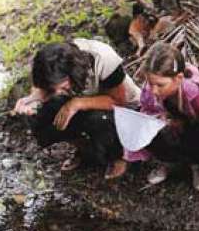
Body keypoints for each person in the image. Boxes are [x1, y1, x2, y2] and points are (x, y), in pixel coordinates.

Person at [13, 39, 141, 179]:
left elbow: (118, 102)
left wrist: (76, 104)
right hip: (82, 101)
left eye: (61, 87)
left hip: (125, 109)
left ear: (73, 72)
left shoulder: (103, 58)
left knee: (98, 119)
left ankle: (118, 156)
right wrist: (33, 100)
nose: (56, 92)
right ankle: (86, 150)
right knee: (42, 114)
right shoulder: (53, 67)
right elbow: (44, 89)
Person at [124, 42, 199, 191]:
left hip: (197, 135)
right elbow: (147, 110)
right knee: (146, 124)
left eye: (160, 85)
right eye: (150, 83)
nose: (154, 90)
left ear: (178, 78)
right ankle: (168, 161)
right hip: (170, 130)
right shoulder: (150, 92)